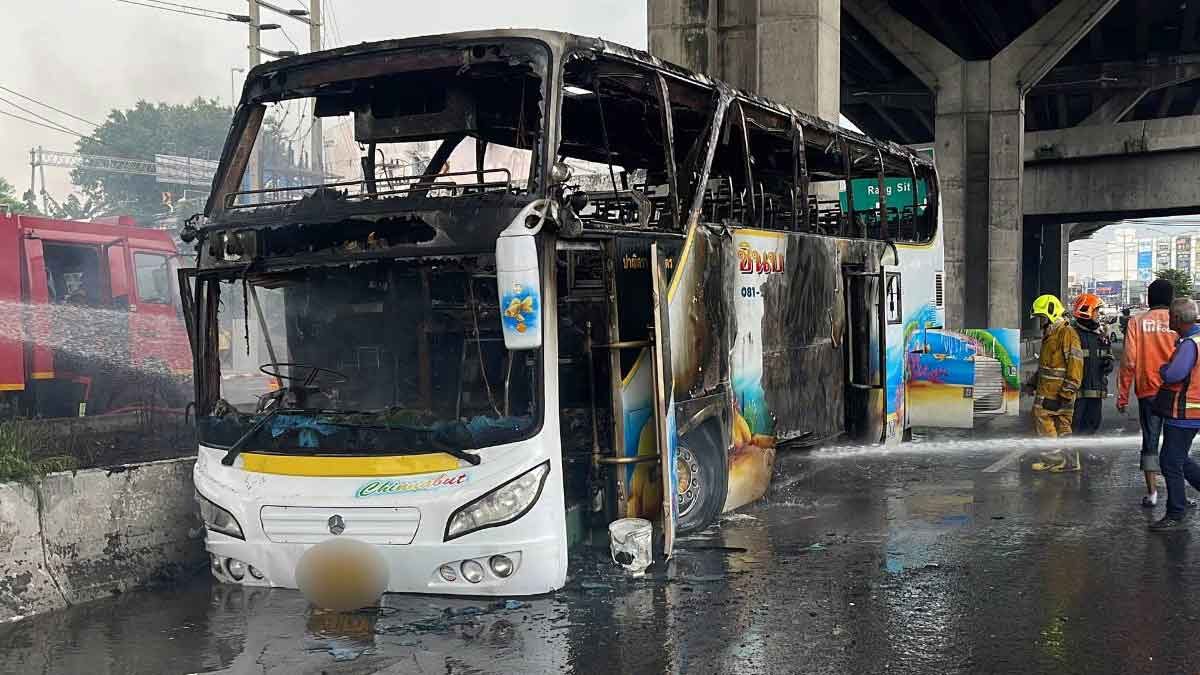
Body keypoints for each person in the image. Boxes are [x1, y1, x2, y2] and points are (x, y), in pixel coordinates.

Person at [1117, 278, 1177, 507]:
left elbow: (1129, 361)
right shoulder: (1177, 321)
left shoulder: (1137, 322)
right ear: (1170, 299)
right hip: (1176, 393)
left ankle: (1152, 494)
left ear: (1149, 298)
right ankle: (1176, 493)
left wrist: (1123, 396)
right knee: (1176, 443)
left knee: (1150, 442)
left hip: (1148, 392)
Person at [1148, 298, 1200, 531]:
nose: (1168, 319)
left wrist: (1163, 369)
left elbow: (1173, 374)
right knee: (1179, 458)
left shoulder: (1190, 344)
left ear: (1177, 319)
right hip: (1192, 411)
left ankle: (1175, 512)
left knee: (1170, 461)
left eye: (1170, 316)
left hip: (1183, 413)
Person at [1029, 294, 1085, 472]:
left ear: (1051, 313)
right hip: (1052, 391)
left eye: (1041, 317)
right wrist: (1032, 382)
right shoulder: (1052, 333)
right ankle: (1068, 462)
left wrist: (1067, 392)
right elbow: (1047, 365)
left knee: (1044, 419)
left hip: (1058, 392)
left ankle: (1054, 459)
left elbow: (1075, 363)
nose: (1040, 321)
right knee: (1062, 425)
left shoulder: (1066, 332)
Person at [1070, 293, 1113, 436]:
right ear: (1086, 310)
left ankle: (1083, 457)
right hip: (1077, 394)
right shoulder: (1071, 334)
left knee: (1093, 424)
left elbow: (1108, 355)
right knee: (1074, 428)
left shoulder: (1100, 335)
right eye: (1096, 311)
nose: (1098, 315)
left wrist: (1108, 363)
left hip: (1096, 392)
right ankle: (1073, 457)